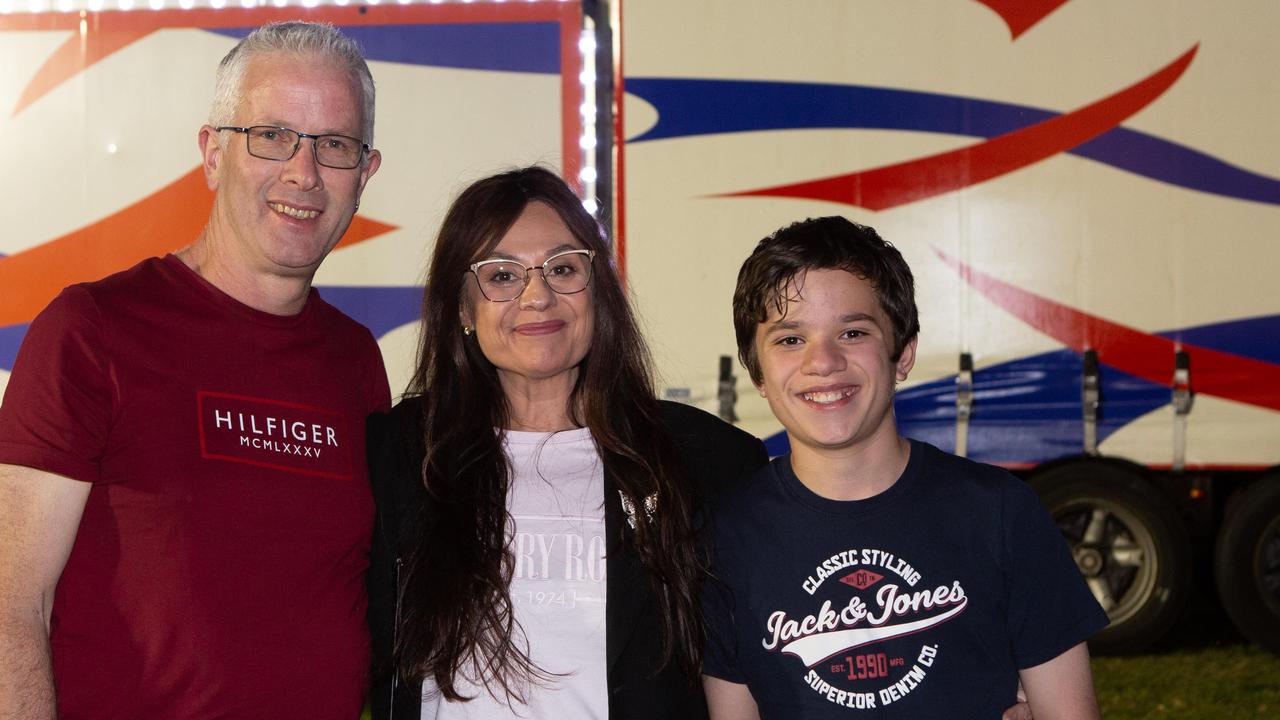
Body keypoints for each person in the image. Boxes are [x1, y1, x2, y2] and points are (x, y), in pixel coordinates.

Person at [0, 21, 385, 719]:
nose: (304, 171)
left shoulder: (355, 360)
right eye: (271, 135)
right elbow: (9, 602)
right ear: (212, 154)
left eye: (334, 145)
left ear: (365, 174)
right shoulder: (92, 331)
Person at [365, 165, 768, 719]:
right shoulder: (398, 455)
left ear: (597, 290)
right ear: (462, 307)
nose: (537, 296)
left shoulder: (705, 461)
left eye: (562, 268)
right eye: (502, 275)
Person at [702, 217, 1108, 719]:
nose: (823, 361)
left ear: (903, 354)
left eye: (852, 332)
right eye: (790, 340)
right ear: (757, 370)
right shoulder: (724, 537)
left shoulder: (999, 512)